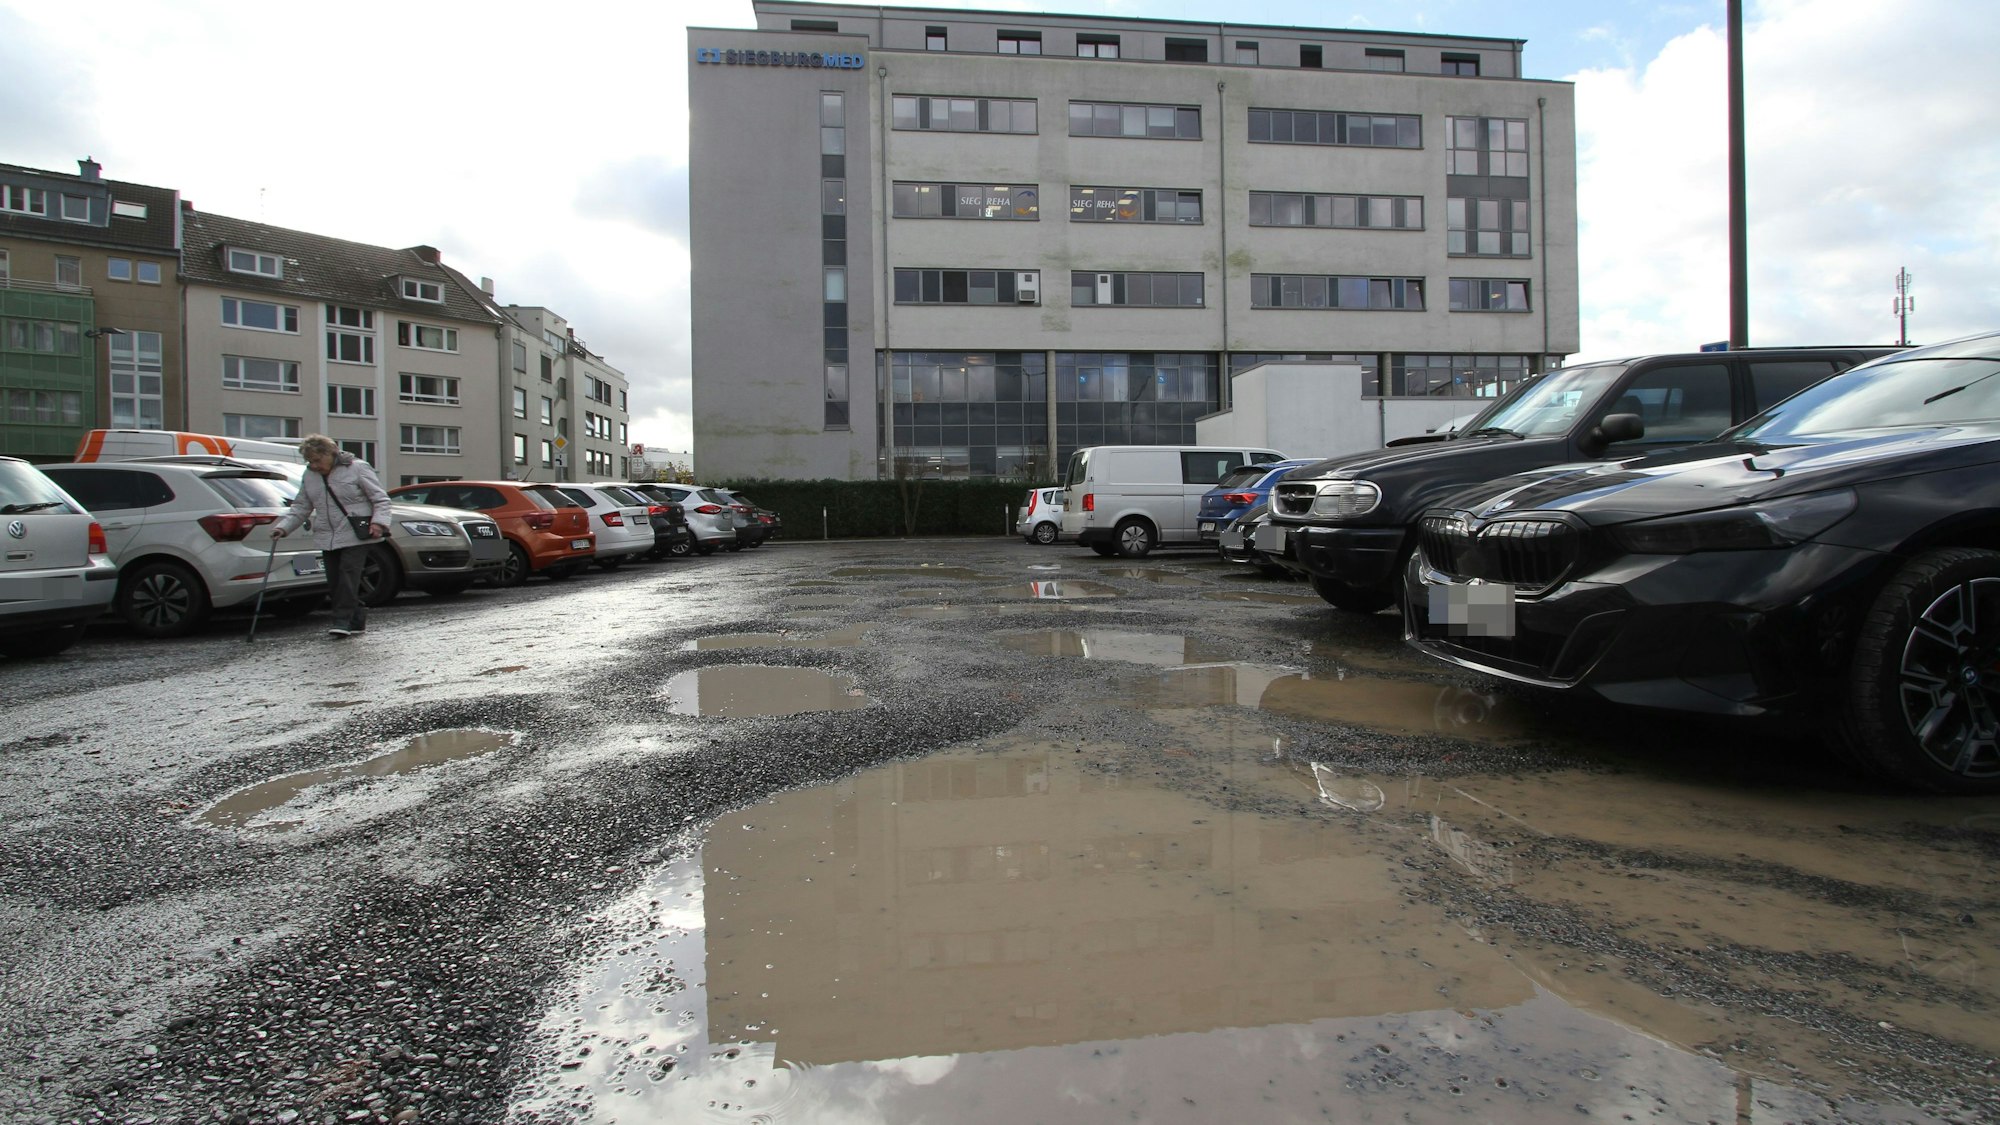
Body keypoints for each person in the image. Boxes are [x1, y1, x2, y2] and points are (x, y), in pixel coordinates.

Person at [271, 434, 392, 637]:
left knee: (347, 575)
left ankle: (341, 621)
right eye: (310, 461)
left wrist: (379, 523)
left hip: (356, 533)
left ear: (331, 453)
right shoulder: (309, 475)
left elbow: (380, 499)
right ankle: (356, 617)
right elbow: (301, 506)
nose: (314, 465)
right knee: (335, 580)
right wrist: (283, 528)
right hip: (327, 535)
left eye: (317, 460)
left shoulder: (357, 468)